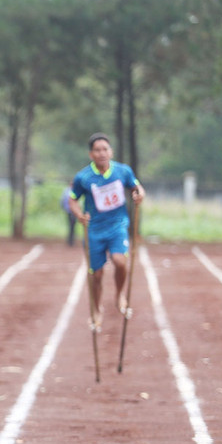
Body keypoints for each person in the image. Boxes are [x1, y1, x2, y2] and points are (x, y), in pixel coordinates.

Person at [68, 132, 145, 329]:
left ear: (110, 152)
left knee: (120, 262)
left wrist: (139, 195)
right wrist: (79, 215)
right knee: (97, 274)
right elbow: (72, 200)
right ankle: (96, 308)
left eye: (105, 149)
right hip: (94, 230)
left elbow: (136, 187)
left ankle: (119, 295)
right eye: (97, 150)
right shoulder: (83, 177)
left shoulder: (123, 171)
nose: (102, 153)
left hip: (117, 226)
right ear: (91, 154)